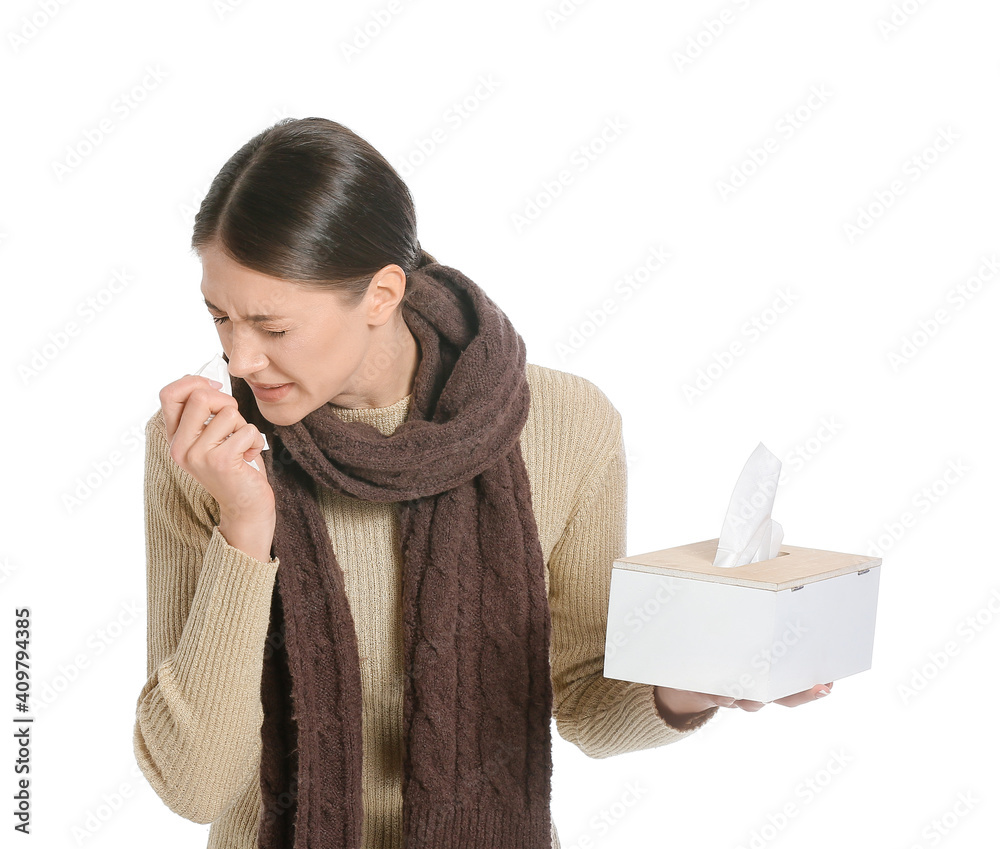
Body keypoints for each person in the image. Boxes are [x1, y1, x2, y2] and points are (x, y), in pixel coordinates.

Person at [132, 117, 832, 849]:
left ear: (380, 294)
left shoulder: (564, 422)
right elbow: (194, 783)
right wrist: (245, 526)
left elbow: (586, 697)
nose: (239, 360)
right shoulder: (207, 448)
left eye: (272, 328)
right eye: (220, 317)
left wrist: (700, 680)